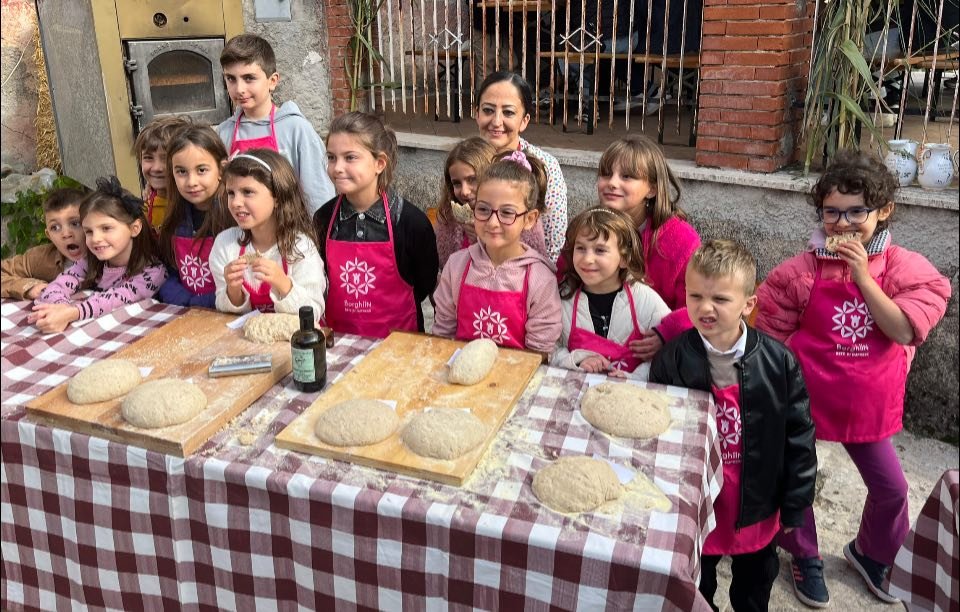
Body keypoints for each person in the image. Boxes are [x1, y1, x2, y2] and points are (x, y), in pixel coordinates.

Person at [755, 150, 951, 607]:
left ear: (884, 211)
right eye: (832, 212)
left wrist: (863, 277)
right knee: (795, 480)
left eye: (856, 212)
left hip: (867, 405)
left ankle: (872, 552)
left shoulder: (904, 268)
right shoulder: (800, 272)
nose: (842, 224)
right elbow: (770, 334)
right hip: (807, 401)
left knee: (892, 489)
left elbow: (904, 330)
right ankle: (803, 554)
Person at [650, 239, 818, 612]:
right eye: (695, 296)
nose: (705, 307)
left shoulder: (779, 362)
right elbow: (660, 438)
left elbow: (799, 438)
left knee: (754, 587)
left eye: (720, 299)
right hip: (699, 507)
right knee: (698, 586)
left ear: (748, 303)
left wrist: (796, 505)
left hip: (757, 503)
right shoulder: (671, 361)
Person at [314, 112, 439, 337]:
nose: (337, 167)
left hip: (398, 343)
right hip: (340, 342)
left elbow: (424, 283)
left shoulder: (411, 222)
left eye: (350, 157)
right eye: (331, 157)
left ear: (379, 163)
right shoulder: (323, 218)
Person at [432, 150, 562, 354]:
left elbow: (539, 352)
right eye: (483, 209)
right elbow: (443, 334)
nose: (493, 222)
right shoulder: (456, 266)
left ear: (529, 219)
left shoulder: (540, 279)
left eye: (507, 212)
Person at [590, 136, 700, 361]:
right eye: (606, 174)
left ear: (652, 189)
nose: (612, 183)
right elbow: (565, 281)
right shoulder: (588, 228)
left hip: (656, 356)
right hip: (593, 350)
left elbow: (699, 304)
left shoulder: (681, 239)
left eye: (627, 176)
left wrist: (666, 333)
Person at [215, 33, 335, 215]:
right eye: (231, 79)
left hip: (289, 229)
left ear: (272, 81)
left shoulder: (296, 129)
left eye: (249, 78)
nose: (239, 89)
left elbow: (318, 195)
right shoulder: (224, 132)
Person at [28, 177, 167, 333]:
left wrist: (71, 313)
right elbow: (58, 285)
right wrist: (60, 307)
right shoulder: (89, 262)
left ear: (134, 228)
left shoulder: (153, 272)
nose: (95, 239)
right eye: (89, 231)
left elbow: (115, 300)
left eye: (106, 228)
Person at [552, 207, 670, 379]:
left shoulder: (646, 301)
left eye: (600, 250)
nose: (587, 259)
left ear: (624, 258)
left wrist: (635, 378)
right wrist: (577, 360)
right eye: (581, 248)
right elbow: (549, 348)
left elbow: (667, 353)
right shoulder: (563, 298)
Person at [209, 149, 326, 317]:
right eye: (231, 193)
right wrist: (232, 290)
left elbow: (314, 311)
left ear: (277, 197)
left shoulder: (301, 247)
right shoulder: (225, 244)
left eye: (248, 192)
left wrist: (282, 283)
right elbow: (225, 313)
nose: (235, 203)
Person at [475, 71, 567, 262]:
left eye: (508, 112)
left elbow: (553, 246)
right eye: (488, 110)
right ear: (477, 114)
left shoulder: (545, 166)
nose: (496, 122)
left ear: (524, 120)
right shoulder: (465, 162)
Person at [435, 137, 547, 269]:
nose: (464, 191)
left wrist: (484, 240)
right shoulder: (448, 218)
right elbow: (445, 265)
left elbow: (529, 264)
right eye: (457, 183)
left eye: (472, 179)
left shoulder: (521, 218)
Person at [157, 124, 236, 308]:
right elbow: (169, 273)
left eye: (201, 170)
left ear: (221, 170)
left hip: (225, 312)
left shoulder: (233, 219)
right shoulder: (175, 218)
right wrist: (188, 302)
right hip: (186, 313)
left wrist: (200, 303)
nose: (191, 182)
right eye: (181, 172)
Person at [2, 187, 89, 300]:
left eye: (75, 223)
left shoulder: (107, 257)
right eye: (55, 227)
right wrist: (30, 287)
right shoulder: (41, 257)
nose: (66, 234)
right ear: (49, 235)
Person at [134, 115, 190, 227]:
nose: (157, 168)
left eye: (165, 159)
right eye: (148, 158)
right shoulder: (143, 209)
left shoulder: (197, 205)